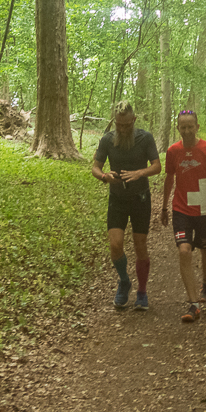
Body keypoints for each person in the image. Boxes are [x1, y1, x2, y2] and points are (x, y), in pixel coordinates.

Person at [91, 101, 161, 310]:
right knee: (115, 245)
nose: (123, 129)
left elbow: (157, 166)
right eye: (119, 125)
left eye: (127, 125)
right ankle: (124, 281)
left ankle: (142, 292)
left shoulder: (145, 138)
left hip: (140, 198)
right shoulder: (107, 140)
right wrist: (105, 177)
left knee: (140, 246)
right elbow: (95, 167)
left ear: (134, 120)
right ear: (115, 122)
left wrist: (140, 173)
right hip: (117, 199)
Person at [159, 110, 206, 323]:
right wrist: (163, 207)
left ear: (197, 127)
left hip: (205, 208)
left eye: (190, 126)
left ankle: (205, 282)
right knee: (184, 251)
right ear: (177, 128)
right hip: (181, 209)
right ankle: (193, 303)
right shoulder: (173, 151)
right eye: (183, 127)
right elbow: (169, 179)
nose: (187, 130)